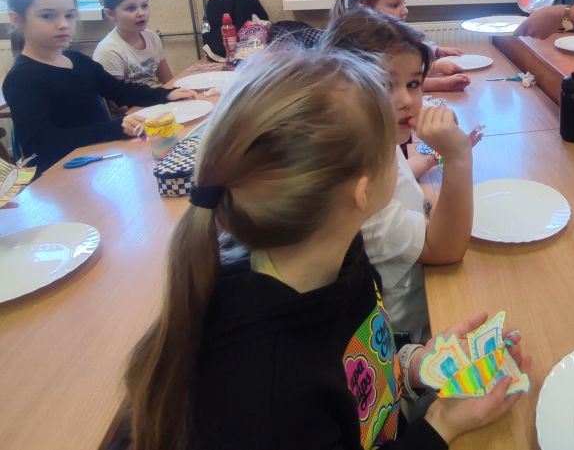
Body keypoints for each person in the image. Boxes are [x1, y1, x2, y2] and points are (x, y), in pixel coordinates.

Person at [122, 47, 526, 450]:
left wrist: (415, 364)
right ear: (363, 191)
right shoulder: (271, 393)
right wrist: (440, 425)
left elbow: (355, 356)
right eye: (389, 147)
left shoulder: (342, 252)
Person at [321, 8, 480, 342]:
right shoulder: (357, 197)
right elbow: (445, 249)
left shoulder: (374, 142)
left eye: (413, 83)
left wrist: (434, 157)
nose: (406, 100)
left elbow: (402, 174)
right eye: (385, 85)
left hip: (424, 306)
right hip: (406, 337)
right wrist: (458, 159)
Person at [2, 0, 196, 172]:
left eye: (69, 15)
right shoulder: (21, 79)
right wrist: (115, 128)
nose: (63, 24)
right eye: (47, 16)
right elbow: (41, 145)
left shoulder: (77, 60)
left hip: (97, 158)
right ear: (17, 20)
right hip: (61, 171)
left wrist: (166, 94)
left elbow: (120, 91)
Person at [334, 0, 470, 93]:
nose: (405, 11)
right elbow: (394, 83)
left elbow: (409, 53)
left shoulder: (388, 32)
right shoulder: (359, 44)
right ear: (365, 8)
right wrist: (441, 82)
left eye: (404, 3)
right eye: (395, 5)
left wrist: (436, 51)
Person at [93, 0, 172, 88]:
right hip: (136, 99)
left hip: (159, 95)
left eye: (144, 5)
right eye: (130, 8)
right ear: (110, 14)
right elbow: (118, 97)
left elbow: (168, 81)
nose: (141, 13)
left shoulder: (152, 37)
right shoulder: (108, 51)